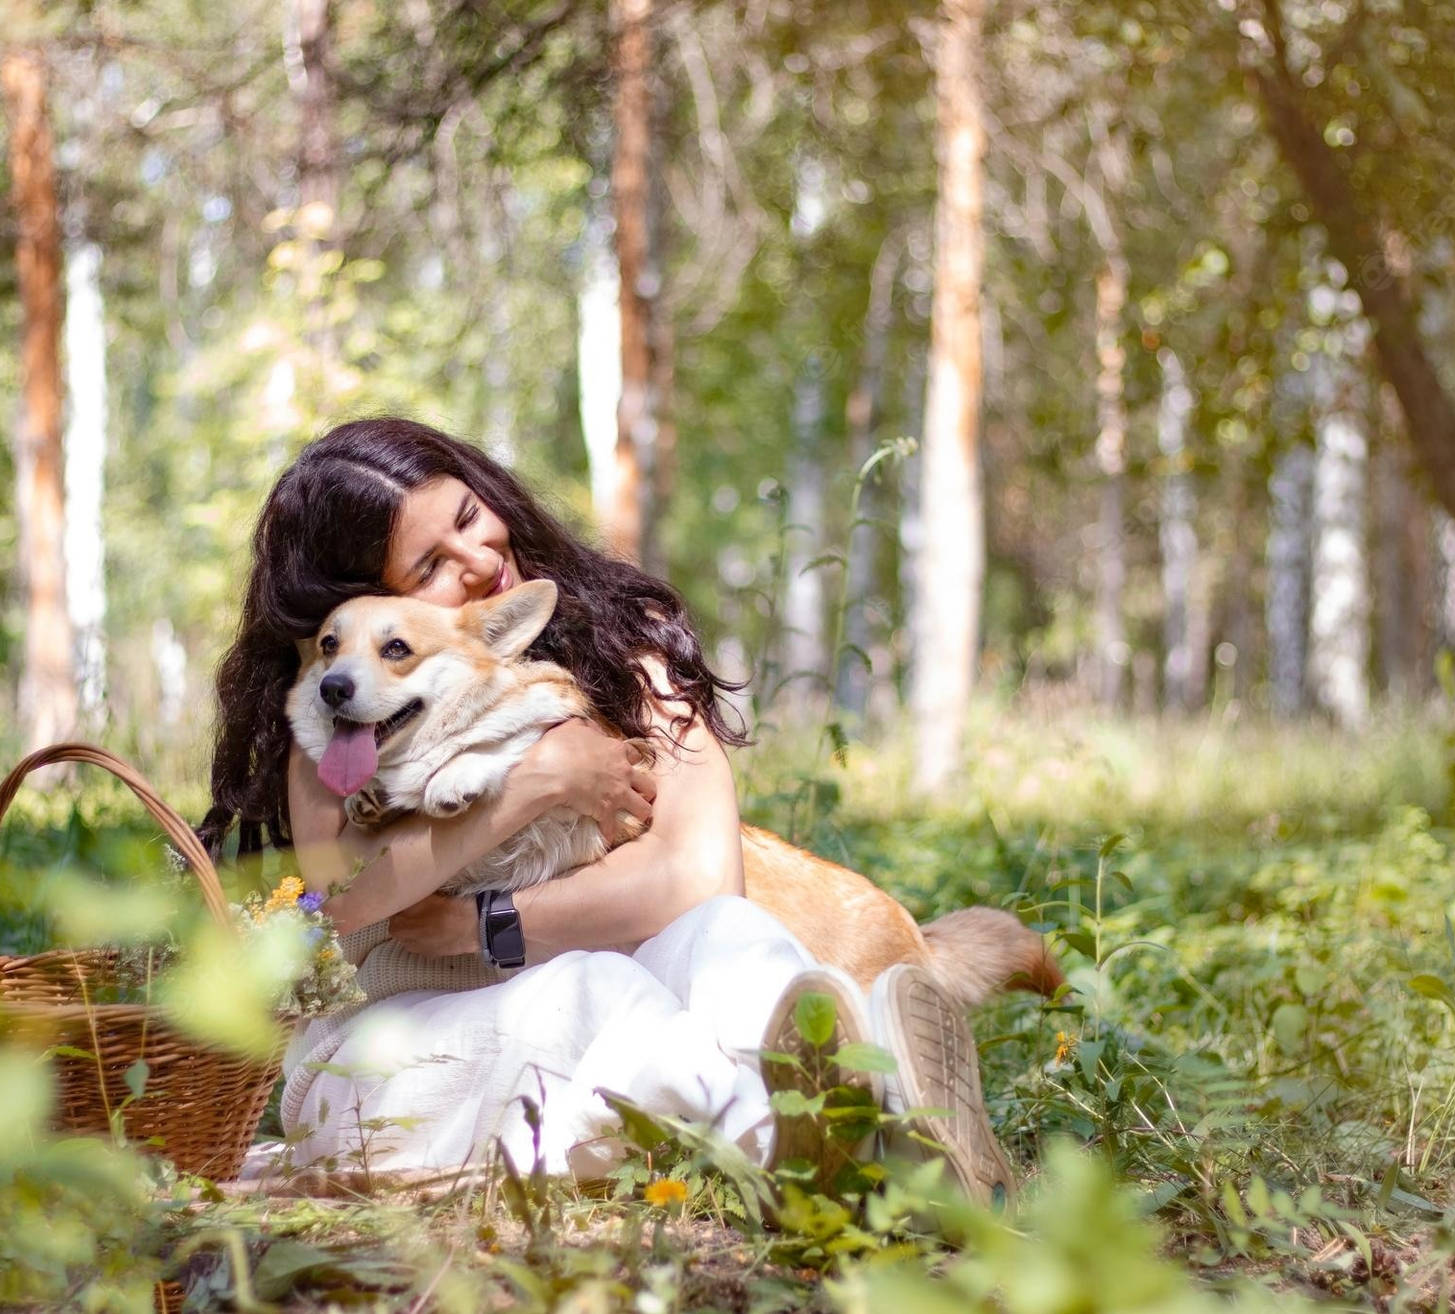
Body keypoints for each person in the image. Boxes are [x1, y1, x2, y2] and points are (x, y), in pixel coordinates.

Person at [198, 417, 1013, 1198]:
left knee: (723, 938)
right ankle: (835, 1133)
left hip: (569, 1010)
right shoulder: (331, 709)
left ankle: (875, 1111)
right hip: (392, 1055)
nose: (479, 560)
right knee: (595, 993)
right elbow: (344, 895)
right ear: (359, 607)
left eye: (471, 517)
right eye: (429, 569)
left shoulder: (628, 637)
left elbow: (701, 878)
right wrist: (539, 780)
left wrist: (487, 921)